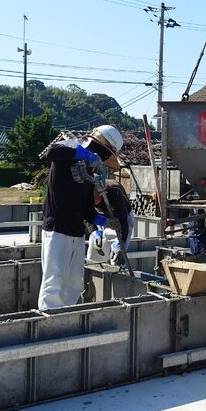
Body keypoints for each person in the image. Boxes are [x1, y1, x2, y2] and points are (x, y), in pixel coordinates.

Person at [37, 125, 124, 310]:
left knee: (74, 283)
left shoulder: (88, 173)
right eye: (104, 154)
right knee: (54, 281)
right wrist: (83, 154)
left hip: (76, 232)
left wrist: (102, 222)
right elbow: (52, 151)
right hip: (57, 229)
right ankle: (48, 320)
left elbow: (87, 210)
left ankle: (68, 316)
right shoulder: (69, 151)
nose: (102, 159)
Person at [87, 179, 135, 266]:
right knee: (96, 254)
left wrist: (120, 245)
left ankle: (117, 267)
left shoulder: (115, 192)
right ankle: (97, 269)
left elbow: (123, 221)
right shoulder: (86, 193)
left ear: (100, 194)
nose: (91, 202)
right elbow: (86, 215)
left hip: (122, 218)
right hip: (101, 218)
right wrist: (94, 231)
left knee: (117, 258)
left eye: (93, 198)